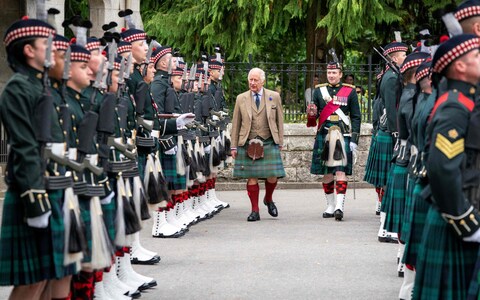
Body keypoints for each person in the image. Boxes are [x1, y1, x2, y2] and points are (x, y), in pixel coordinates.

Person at [413, 33, 480, 300]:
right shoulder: (454, 106)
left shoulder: (465, 101)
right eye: (476, 55)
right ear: (460, 67)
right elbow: (442, 168)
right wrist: (466, 223)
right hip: (454, 222)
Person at [307, 61, 361, 221]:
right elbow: (313, 119)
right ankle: (330, 206)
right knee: (327, 173)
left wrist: (354, 139)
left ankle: (339, 207)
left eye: (334, 73)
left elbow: (356, 116)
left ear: (340, 74)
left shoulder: (349, 92)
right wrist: (311, 113)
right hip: (324, 133)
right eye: (329, 73)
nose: (331, 75)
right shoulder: (318, 91)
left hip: (342, 134)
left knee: (340, 171)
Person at [230, 67, 285, 221]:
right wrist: (234, 146)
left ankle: (268, 198)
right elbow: (236, 123)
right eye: (250, 80)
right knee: (251, 177)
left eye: (255, 80)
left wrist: (280, 141)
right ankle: (255, 210)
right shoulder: (241, 98)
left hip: (269, 141)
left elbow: (280, 121)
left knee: (273, 176)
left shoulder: (274, 96)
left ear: (262, 81)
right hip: (248, 142)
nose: (252, 83)